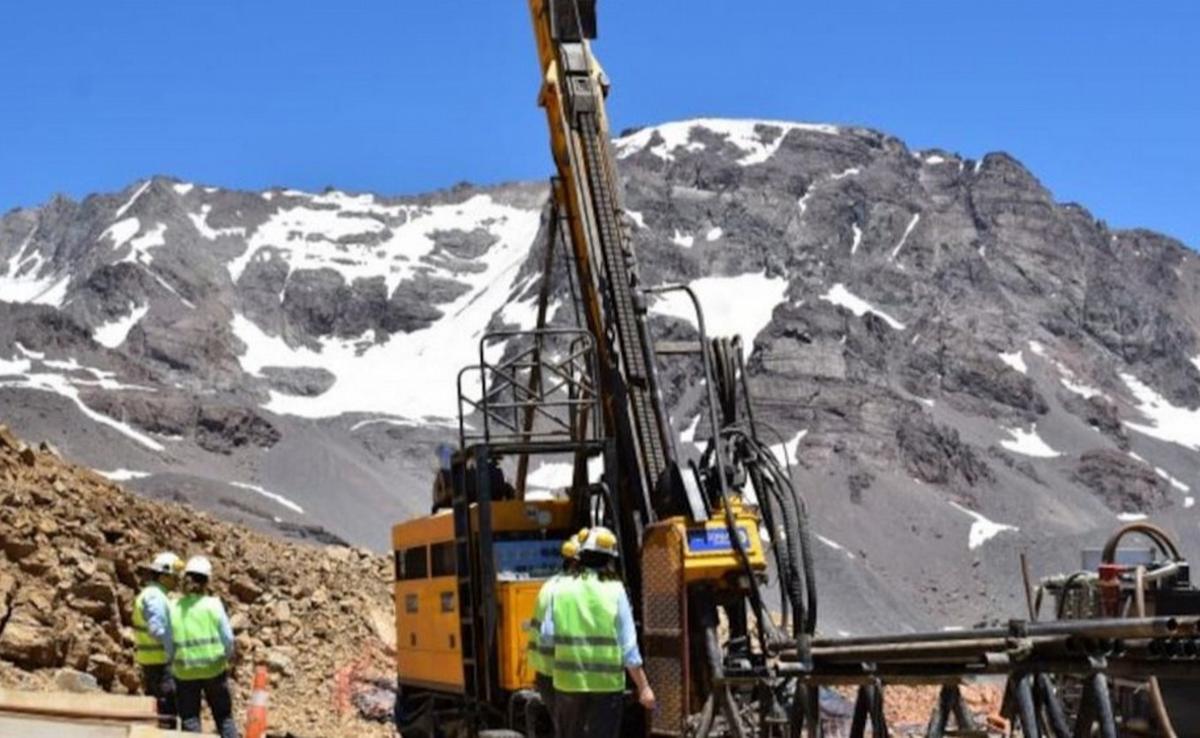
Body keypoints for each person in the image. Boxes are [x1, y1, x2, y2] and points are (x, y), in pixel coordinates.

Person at [541, 526, 656, 738]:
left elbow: (547, 637)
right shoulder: (615, 590)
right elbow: (629, 647)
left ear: (581, 555)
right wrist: (644, 687)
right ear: (609, 561)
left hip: (568, 683)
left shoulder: (560, 589)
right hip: (606, 686)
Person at [167, 556, 239, 738]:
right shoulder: (213, 605)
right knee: (224, 718)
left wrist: (173, 663)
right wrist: (225, 658)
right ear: (207, 581)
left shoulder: (173, 607)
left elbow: (168, 642)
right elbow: (228, 639)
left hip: (184, 671)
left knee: (190, 719)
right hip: (214, 669)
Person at [527, 530, 585, 728]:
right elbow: (550, 636)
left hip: (549, 675)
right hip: (565, 676)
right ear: (578, 563)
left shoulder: (550, 586)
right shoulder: (571, 590)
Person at [133, 551, 181, 728]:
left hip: (153, 662)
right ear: (163, 576)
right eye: (174, 576)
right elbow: (156, 629)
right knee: (166, 714)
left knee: (162, 712)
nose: (177, 580)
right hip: (160, 664)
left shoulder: (153, 594)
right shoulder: (155, 597)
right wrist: (174, 649)